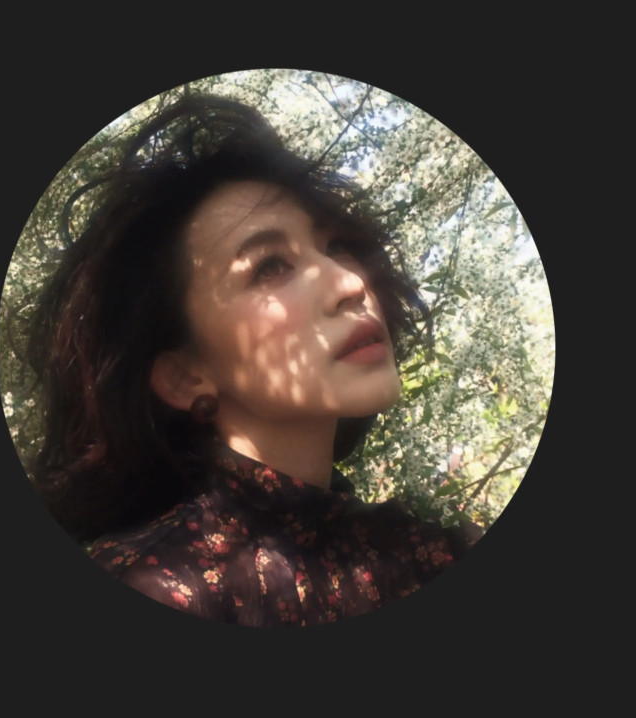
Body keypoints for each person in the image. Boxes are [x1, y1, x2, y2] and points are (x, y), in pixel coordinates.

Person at [28, 94, 483, 626]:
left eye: (335, 246)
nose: (350, 283)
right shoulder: (154, 586)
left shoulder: (427, 558)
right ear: (185, 375)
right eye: (269, 267)